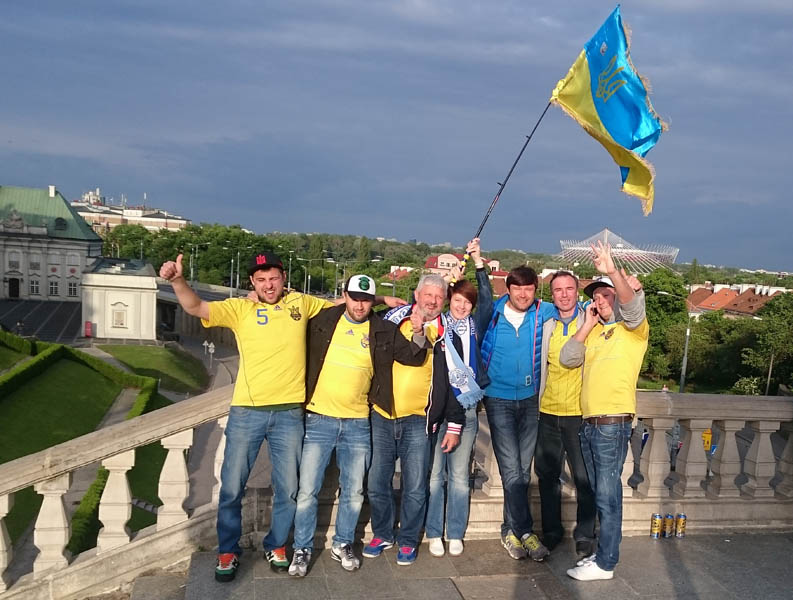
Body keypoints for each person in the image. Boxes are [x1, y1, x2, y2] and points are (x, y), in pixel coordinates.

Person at [159, 250, 402, 582]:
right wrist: (177, 281)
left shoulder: (301, 303)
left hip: (289, 413)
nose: (268, 285)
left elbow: (343, 304)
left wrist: (383, 299)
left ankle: (277, 545)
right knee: (231, 488)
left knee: (288, 489)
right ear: (252, 282)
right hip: (247, 411)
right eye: (261, 280)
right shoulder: (239, 308)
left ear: (283, 278)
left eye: (273, 278)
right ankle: (228, 550)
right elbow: (195, 307)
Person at [287, 275, 428, 577]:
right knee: (307, 490)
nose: (360, 305)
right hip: (319, 418)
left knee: (353, 491)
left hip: (358, 422)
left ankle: (343, 543)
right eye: (355, 298)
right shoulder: (323, 320)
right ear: (345, 295)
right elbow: (290, 315)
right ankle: (302, 547)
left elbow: (413, 357)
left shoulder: (384, 330)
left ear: (371, 302)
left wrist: (419, 332)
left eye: (366, 300)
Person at [363, 273, 465, 566]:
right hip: (383, 415)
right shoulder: (392, 321)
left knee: (416, 486)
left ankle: (408, 539)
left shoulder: (449, 335)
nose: (432, 301)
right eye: (427, 295)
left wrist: (454, 425)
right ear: (416, 295)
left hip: (419, 421)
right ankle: (383, 533)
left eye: (438, 297)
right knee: (377, 482)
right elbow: (356, 308)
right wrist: (381, 298)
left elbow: (457, 384)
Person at [560, 241, 648, 581]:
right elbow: (568, 358)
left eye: (606, 296)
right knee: (600, 494)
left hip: (612, 424)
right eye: (596, 297)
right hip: (589, 424)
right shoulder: (596, 333)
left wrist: (612, 271)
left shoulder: (633, 331)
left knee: (609, 497)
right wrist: (587, 324)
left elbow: (633, 308)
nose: (600, 301)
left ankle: (607, 563)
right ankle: (602, 554)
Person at [478, 261, 556, 561]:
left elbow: (575, 308)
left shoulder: (542, 312)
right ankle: (524, 532)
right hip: (497, 399)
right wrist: (478, 264)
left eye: (529, 289)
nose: (523, 294)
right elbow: (479, 294)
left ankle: (510, 530)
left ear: (535, 290)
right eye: (517, 288)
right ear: (508, 289)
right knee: (512, 468)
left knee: (523, 470)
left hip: (530, 399)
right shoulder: (493, 313)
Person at [425, 238, 491, 557]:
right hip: (438, 410)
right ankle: (433, 532)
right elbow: (424, 304)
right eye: (457, 300)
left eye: (468, 302)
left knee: (460, 477)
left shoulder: (475, 326)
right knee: (435, 476)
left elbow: (488, 302)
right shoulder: (437, 325)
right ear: (450, 299)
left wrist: (478, 264)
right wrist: (447, 280)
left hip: (466, 410)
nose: (462, 306)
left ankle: (455, 532)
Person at [535, 270, 596, 558]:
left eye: (569, 288)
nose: (564, 294)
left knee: (584, 479)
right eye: (558, 290)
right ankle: (551, 532)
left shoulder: (592, 321)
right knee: (547, 477)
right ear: (552, 294)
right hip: (547, 412)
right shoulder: (547, 324)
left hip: (579, 415)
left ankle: (585, 534)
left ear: (577, 291)